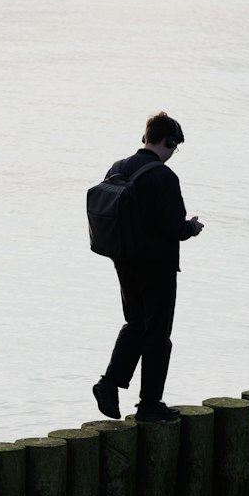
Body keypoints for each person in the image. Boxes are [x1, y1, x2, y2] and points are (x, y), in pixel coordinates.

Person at [92, 111, 204, 423]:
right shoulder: (163, 177)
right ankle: (149, 404)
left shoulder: (118, 167)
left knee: (136, 324)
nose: (173, 154)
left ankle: (109, 384)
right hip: (156, 266)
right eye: (174, 146)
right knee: (158, 334)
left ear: (145, 137)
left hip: (124, 261)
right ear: (169, 141)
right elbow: (173, 227)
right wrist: (191, 228)